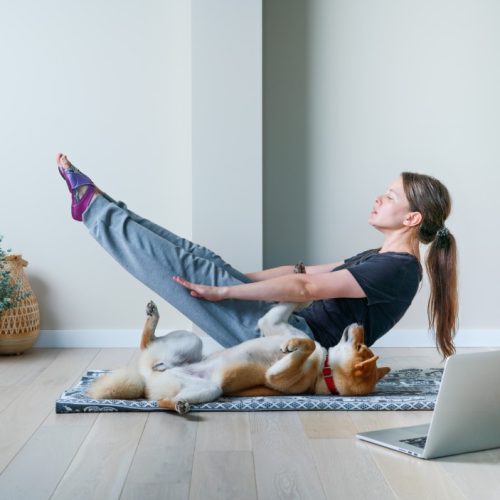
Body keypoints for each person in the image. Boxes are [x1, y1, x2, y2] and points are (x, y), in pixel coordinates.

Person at [57, 153, 458, 358]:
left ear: (412, 217)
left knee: (193, 270)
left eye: (389, 196)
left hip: (291, 348)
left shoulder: (399, 270)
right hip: (286, 328)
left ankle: (95, 210)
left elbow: (305, 286)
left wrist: (225, 292)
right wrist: (230, 277)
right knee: (201, 259)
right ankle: (104, 205)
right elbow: (299, 270)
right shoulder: (382, 257)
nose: (378, 197)